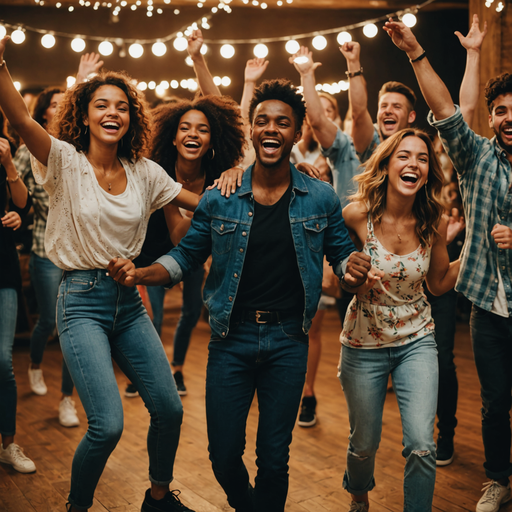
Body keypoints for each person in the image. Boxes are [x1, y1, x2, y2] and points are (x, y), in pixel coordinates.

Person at [108, 78, 371, 512]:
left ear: (296, 131)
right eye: (263, 121)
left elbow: (342, 256)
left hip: (289, 341)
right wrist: (140, 273)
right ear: (251, 130)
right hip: (231, 339)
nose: (272, 129)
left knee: (274, 458)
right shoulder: (222, 196)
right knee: (224, 454)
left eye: (283, 123)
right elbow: (185, 257)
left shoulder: (320, 197)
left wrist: (352, 270)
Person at [0, 36, 199, 512]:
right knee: (107, 425)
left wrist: (244, 187)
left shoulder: (146, 170)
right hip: (80, 301)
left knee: (169, 410)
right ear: (84, 115)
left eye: (123, 107)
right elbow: (22, 121)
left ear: (132, 117)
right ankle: (78, 506)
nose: (113, 112)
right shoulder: (65, 161)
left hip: (128, 304)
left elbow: (197, 202)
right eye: (102, 105)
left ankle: (157, 497)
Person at [383, 16, 512, 512]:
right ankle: (497, 479)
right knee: (495, 403)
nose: (505, 117)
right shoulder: (477, 158)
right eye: (500, 111)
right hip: (487, 306)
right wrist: (416, 50)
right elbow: (446, 108)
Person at [339, 127, 460, 512]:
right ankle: (359, 497)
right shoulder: (358, 214)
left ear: (428, 172)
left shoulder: (433, 221)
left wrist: (473, 251)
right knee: (363, 445)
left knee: (423, 443)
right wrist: (353, 277)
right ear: (388, 165)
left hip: (417, 339)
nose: (414, 164)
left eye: (423, 158)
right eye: (404, 156)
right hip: (363, 343)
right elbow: (337, 273)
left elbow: (439, 284)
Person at [129, 95, 245, 396]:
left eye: (202, 129)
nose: (193, 134)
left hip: (192, 259)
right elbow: (178, 236)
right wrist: (191, 197)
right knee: (151, 317)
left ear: (212, 141)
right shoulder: (155, 172)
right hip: (149, 258)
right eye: (185, 127)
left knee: (192, 311)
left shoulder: (220, 178)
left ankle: (177, 367)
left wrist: (237, 171)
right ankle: (144, 373)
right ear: (172, 137)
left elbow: (186, 246)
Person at [290, 46, 362, 426]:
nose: (324, 119)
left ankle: (308, 393)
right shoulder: (291, 156)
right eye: (319, 113)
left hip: (327, 249)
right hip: (292, 249)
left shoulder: (344, 156)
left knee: (314, 326)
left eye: (331, 113)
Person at [0, 108, 34, 474]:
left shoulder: (4, 148)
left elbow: (23, 202)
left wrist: (9, 164)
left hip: (3, 264)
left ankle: (8, 444)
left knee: (2, 361)